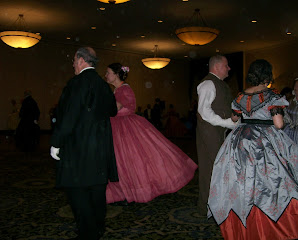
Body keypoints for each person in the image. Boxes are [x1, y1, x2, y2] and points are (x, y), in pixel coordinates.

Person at [207, 59, 298, 240]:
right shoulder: (272, 96)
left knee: (244, 183)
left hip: (241, 141)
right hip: (265, 141)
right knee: (279, 182)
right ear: (267, 74)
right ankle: (287, 221)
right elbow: (279, 123)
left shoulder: (241, 96)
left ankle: (246, 224)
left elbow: (235, 119)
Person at [50, 47, 118, 240]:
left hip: (79, 150)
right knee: (97, 193)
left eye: (73, 60)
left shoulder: (76, 83)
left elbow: (68, 117)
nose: (72, 64)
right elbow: (112, 111)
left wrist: (56, 143)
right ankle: (97, 229)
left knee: (78, 193)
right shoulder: (103, 86)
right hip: (100, 149)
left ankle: (88, 234)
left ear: (81, 60)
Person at [104, 63, 197, 204]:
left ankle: (138, 188)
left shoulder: (125, 89)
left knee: (134, 158)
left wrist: (107, 110)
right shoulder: (116, 90)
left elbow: (129, 108)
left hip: (126, 127)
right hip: (116, 127)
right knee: (120, 160)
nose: (106, 75)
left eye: (108, 72)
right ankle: (125, 189)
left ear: (116, 74)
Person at [196, 54, 237, 215]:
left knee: (218, 169)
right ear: (217, 66)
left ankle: (217, 205)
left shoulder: (220, 84)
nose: (229, 68)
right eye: (226, 65)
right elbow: (204, 112)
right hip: (209, 133)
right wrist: (229, 123)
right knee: (210, 169)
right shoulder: (208, 83)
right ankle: (207, 206)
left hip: (218, 131)